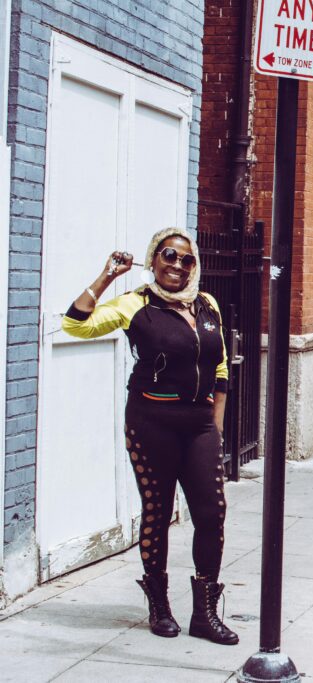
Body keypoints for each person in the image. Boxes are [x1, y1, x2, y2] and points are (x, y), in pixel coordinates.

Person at [62, 228, 239, 645]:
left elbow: (221, 370)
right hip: (151, 422)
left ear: (195, 265)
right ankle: (160, 607)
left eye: (186, 259)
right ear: (154, 259)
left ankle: (205, 613)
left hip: (198, 426)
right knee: (157, 513)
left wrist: (215, 428)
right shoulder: (134, 305)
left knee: (211, 515)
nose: (177, 265)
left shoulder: (207, 304)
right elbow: (76, 324)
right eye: (169, 256)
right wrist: (107, 275)